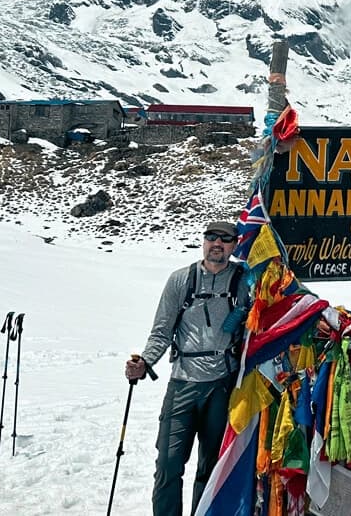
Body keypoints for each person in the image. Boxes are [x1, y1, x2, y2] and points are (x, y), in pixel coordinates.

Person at [125, 221, 248, 516]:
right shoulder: (181, 280)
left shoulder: (244, 282)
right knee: (168, 464)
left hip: (223, 385)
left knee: (211, 467)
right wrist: (145, 362)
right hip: (182, 384)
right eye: (211, 238)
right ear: (203, 241)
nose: (217, 244)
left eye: (225, 239)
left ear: (234, 245)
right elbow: (162, 331)